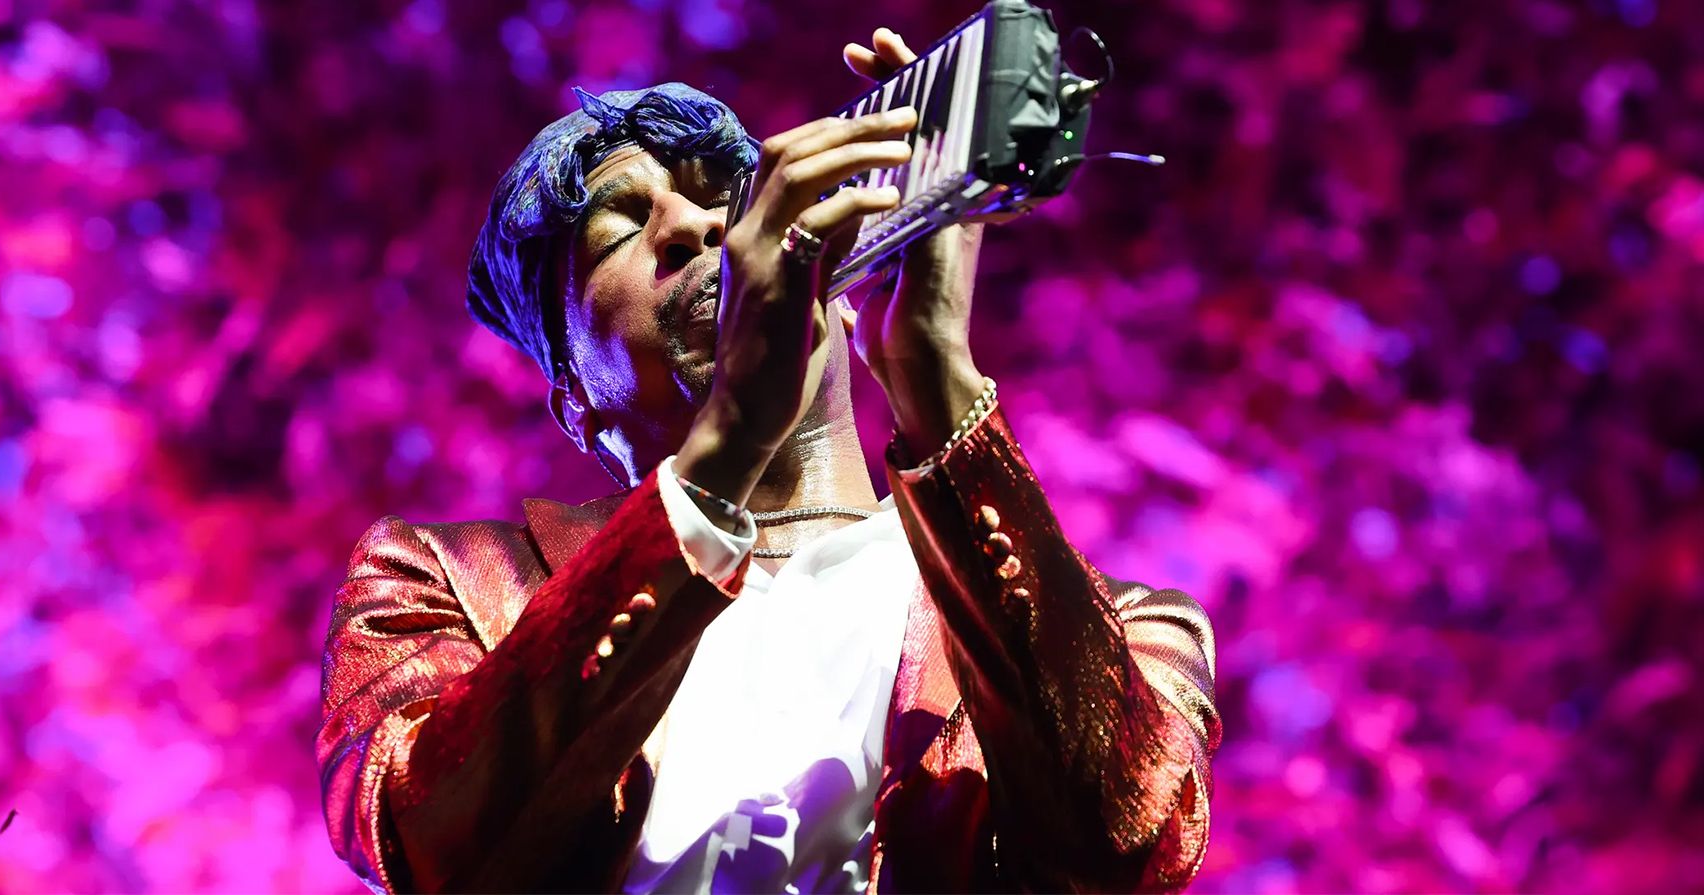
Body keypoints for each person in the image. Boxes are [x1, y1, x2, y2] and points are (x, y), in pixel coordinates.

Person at [317, 28, 1220, 894]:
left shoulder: (1123, 630)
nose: (694, 225)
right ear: (576, 403)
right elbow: (427, 841)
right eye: (618, 229)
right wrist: (726, 449)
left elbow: (1120, 850)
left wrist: (938, 376)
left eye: (729, 196)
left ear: (844, 284)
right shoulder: (440, 581)